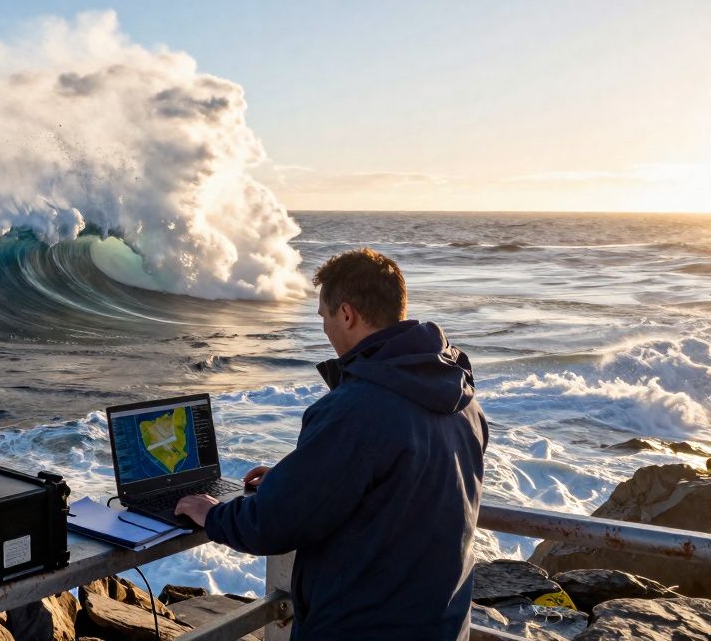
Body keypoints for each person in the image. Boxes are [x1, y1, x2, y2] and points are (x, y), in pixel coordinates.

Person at [176, 248, 488, 641]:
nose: (323, 327)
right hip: (441, 624)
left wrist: (213, 513)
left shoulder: (356, 408)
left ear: (346, 314)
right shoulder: (461, 398)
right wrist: (301, 477)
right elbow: (405, 481)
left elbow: (272, 524)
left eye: (324, 316)